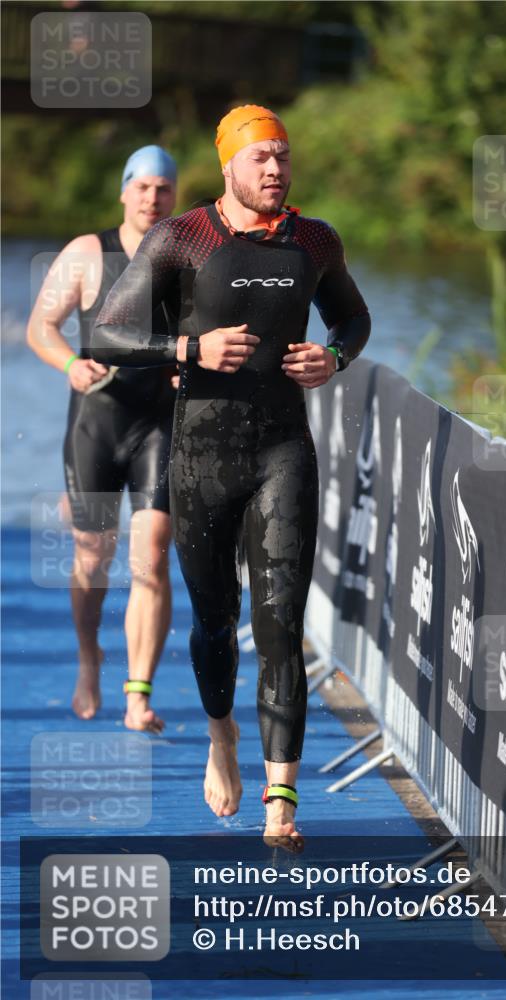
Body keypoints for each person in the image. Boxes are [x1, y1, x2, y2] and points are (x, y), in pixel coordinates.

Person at [93, 105, 371, 849]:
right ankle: (222, 738)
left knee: (280, 628)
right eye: (260, 158)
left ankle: (282, 801)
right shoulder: (183, 237)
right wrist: (188, 348)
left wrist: (333, 359)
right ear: (229, 167)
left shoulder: (314, 240)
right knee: (215, 622)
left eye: (282, 155)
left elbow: (352, 321)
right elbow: (104, 334)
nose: (275, 169)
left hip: (283, 451)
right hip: (201, 458)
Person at [27, 145, 179, 734]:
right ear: (124, 192)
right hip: (97, 422)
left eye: (164, 188)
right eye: (142, 187)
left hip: (159, 424)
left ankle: (137, 694)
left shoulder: (186, 256)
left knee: (153, 554)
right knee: (94, 554)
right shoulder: (88, 253)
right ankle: (90, 658)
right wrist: (69, 363)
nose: (153, 198)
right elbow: (42, 325)